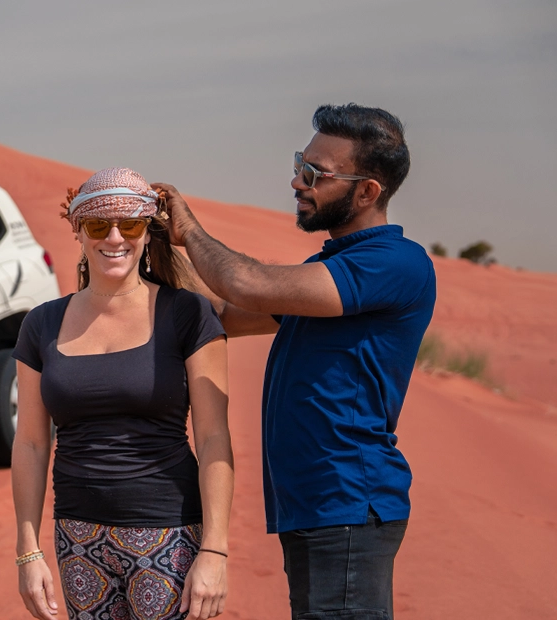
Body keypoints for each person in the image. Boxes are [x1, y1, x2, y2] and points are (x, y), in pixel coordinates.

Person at [152, 104, 435, 619]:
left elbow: (247, 284)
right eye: (299, 164)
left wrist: (190, 230)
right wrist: (156, 244)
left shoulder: (394, 263)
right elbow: (224, 313)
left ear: (368, 192)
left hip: (348, 499)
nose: (297, 182)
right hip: (315, 505)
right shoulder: (330, 269)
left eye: (314, 173)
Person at [12, 167, 234, 620]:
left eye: (129, 225)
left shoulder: (186, 314)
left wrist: (215, 550)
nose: (115, 238)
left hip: (169, 533)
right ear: (78, 230)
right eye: (98, 225)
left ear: (147, 231)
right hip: (76, 536)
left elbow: (213, 437)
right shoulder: (41, 324)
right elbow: (32, 443)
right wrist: (28, 552)